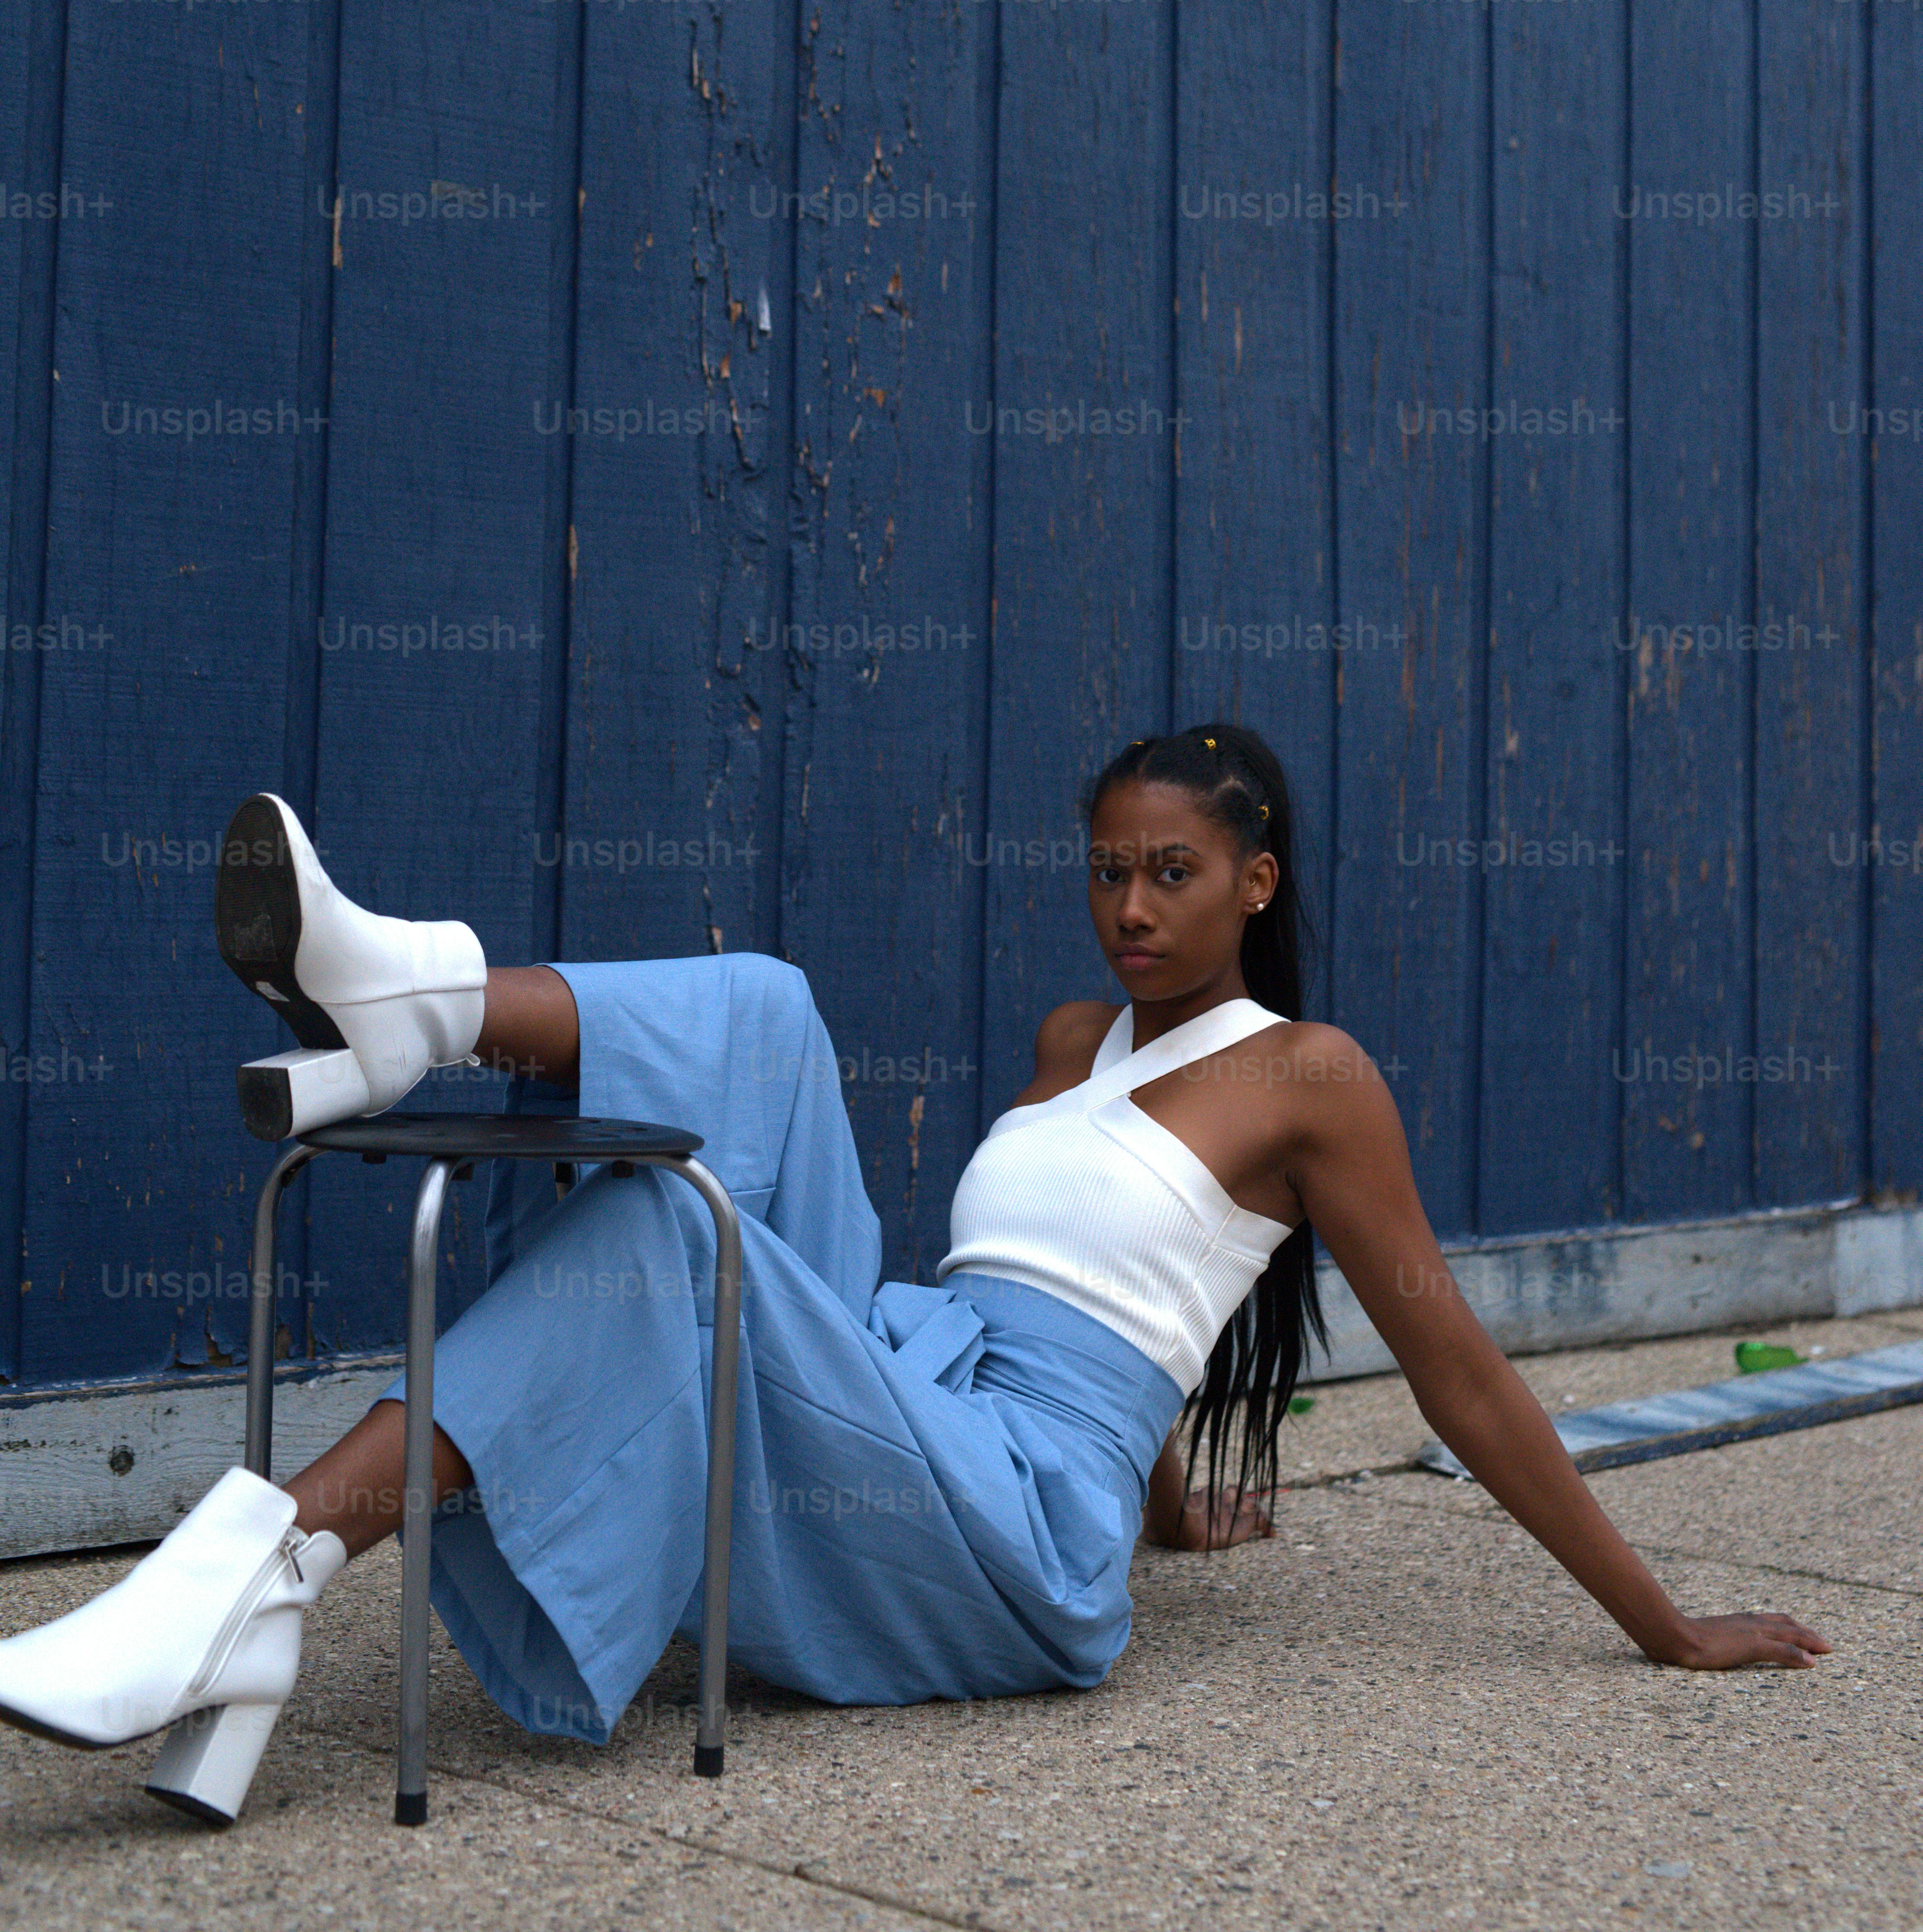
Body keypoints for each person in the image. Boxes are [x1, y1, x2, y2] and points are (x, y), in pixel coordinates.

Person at [0, 722, 1830, 1825]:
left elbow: (1458, 1376)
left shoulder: (1312, 1077)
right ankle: (433, 1013)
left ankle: (273, 1563)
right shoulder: (1069, 1038)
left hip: (1008, 1522)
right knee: (776, 1008)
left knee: (669, 1231)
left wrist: (1662, 1623)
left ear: (1255, 882)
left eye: (1174, 874)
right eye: (1109, 872)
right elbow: (1117, 1275)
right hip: (912, 1376)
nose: (1129, 909)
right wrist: (1182, 1505)